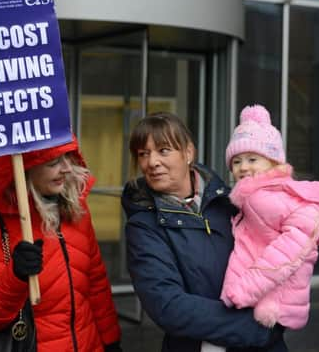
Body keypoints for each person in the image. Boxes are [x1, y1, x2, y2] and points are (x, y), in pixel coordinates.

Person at [121, 112, 287, 352]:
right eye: (143, 154)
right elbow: (167, 305)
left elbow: (280, 257)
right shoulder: (144, 225)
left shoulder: (233, 201)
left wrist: (280, 311)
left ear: (188, 153)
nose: (152, 162)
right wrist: (254, 328)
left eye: (163, 150)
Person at [0, 136, 123, 351]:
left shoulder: (74, 208)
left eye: (67, 157)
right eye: (53, 162)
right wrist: (15, 276)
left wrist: (110, 341)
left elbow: (96, 284)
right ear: (25, 168)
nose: (65, 168)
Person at [219, 104, 319, 331]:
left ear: (273, 161)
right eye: (237, 161)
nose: (242, 167)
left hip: (272, 302)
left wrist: (243, 290)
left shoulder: (272, 197)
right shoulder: (256, 195)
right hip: (257, 298)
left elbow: (286, 254)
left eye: (252, 159)